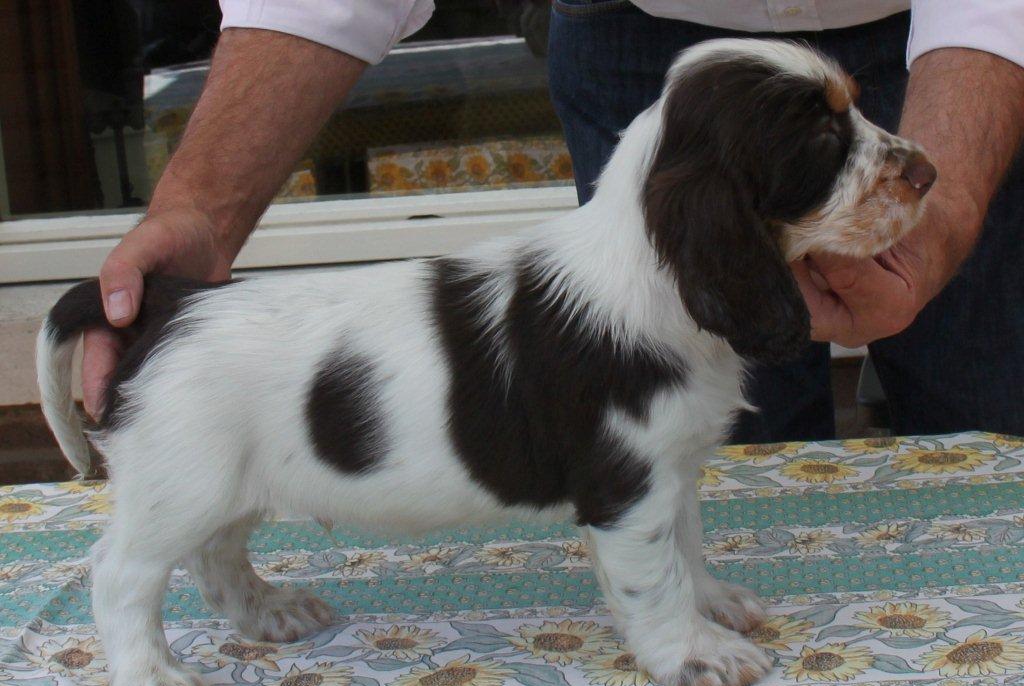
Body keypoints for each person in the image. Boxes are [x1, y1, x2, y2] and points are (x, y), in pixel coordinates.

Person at [82, 1, 1024, 443]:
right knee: (688, 421)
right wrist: (200, 207)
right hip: (642, 28)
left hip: (949, 38)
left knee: (988, 416)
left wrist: (952, 204)